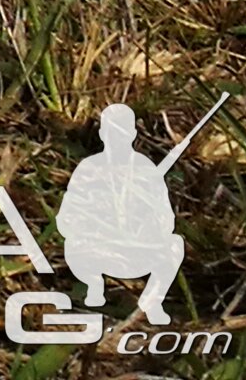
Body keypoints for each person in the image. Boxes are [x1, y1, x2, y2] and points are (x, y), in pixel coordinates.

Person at [58, 105, 188, 323]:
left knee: (175, 244)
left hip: (137, 249)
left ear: (133, 134)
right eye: (112, 131)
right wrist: (95, 222)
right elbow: (66, 217)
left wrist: (147, 224)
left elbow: (167, 220)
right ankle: (94, 287)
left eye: (123, 131)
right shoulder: (89, 168)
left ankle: (151, 303)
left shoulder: (146, 169)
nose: (118, 137)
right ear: (102, 134)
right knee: (72, 245)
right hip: (99, 249)